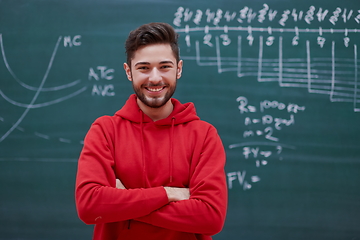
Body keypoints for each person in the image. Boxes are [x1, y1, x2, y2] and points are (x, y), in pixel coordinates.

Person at [75, 22, 227, 240]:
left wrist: (124, 200)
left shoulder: (203, 135)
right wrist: (169, 194)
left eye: (164, 66)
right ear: (129, 72)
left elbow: (211, 217)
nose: (155, 78)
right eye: (143, 68)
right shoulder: (105, 131)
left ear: (179, 69)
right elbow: (89, 206)